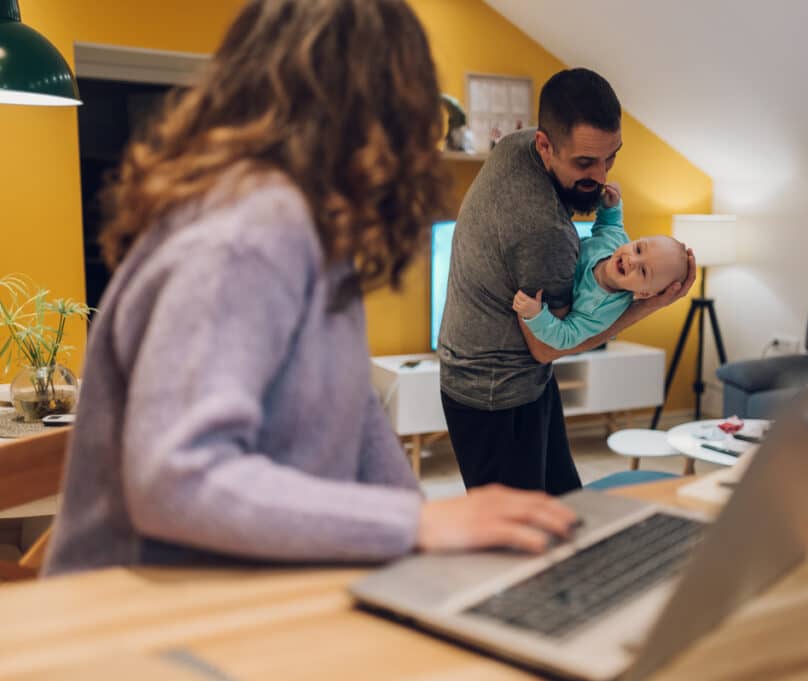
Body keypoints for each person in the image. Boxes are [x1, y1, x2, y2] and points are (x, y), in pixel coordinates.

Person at [43, 0, 578, 577]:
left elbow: (357, 416)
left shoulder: (314, 229)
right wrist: (414, 525)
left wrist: (425, 541)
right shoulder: (247, 230)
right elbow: (177, 476)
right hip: (135, 626)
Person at [438, 68, 696, 494]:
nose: (600, 174)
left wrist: (610, 209)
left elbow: (607, 224)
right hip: (493, 392)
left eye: (610, 156)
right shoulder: (548, 237)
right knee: (519, 536)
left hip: (512, 378)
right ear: (545, 143)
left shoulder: (513, 146)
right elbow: (546, 346)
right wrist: (648, 305)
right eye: (584, 163)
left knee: (566, 504)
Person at [512, 183, 690, 350]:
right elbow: (611, 223)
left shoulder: (604, 310)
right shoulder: (615, 240)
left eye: (643, 271)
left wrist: (536, 315)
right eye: (638, 248)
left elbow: (567, 336)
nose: (632, 261)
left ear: (644, 293)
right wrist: (611, 205)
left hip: (528, 292)